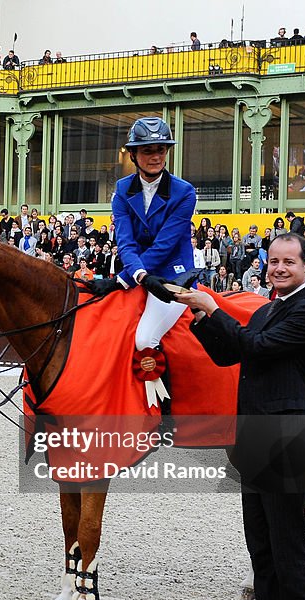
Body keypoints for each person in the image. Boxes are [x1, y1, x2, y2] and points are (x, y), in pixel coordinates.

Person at [176, 233, 305, 600]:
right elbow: (229, 352)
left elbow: (258, 348)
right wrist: (199, 316)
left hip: (287, 438)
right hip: (256, 440)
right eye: (274, 261)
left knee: (288, 547)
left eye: (289, 261)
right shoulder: (267, 310)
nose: (279, 268)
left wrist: (213, 309)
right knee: (261, 546)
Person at [102, 116, 197, 409]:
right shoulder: (121, 189)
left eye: (161, 150)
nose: (155, 156)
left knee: (145, 338)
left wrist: (130, 277)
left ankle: (165, 414)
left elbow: (165, 245)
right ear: (133, 154)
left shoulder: (184, 192)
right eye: (147, 150)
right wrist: (136, 275)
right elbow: (126, 242)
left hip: (174, 275)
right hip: (139, 271)